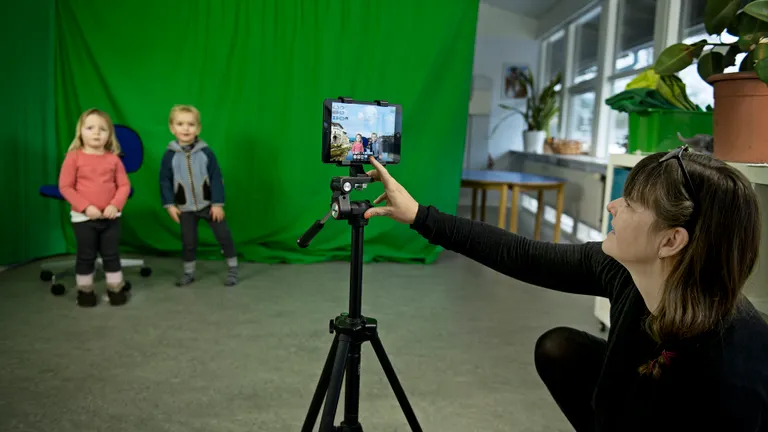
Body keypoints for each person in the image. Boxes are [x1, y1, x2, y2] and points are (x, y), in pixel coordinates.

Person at [362, 148, 768, 431]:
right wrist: (419, 215)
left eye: (630, 203)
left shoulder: (735, 366)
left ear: (671, 241)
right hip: (644, 407)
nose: (612, 206)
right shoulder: (624, 271)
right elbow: (524, 255)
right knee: (559, 347)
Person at [58, 108, 131, 307]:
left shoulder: (113, 159)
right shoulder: (73, 157)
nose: (96, 133)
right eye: (90, 128)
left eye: (102, 129)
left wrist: (115, 205)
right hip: (84, 219)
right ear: (80, 131)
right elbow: (65, 187)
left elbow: (124, 185)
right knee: (86, 256)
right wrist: (86, 207)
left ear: (109, 135)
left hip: (110, 219)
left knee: (111, 255)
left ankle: (116, 291)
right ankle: (85, 294)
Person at [159, 105, 238, 287]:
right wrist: (170, 204)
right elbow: (164, 181)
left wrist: (217, 204)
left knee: (224, 235)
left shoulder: (206, 153)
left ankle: (233, 268)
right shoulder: (169, 155)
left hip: (208, 205)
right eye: (180, 124)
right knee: (189, 241)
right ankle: (189, 273)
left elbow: (216, 178)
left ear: (198, 128)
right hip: (185, 208)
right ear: (172, 128)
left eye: (191, 124)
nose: (186, 129)